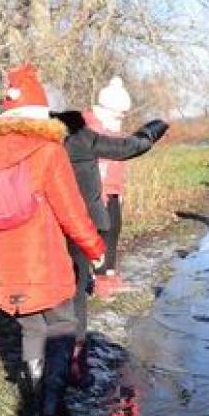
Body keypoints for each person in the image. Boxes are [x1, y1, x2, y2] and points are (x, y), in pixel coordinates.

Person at [0, 63, 105, 416]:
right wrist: (94, 249)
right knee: (62, 325)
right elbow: (72, 210)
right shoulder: (47, 150)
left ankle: (32, 401)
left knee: (31, 329)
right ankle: (51, 405)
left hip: (6, 271)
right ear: (40, 113)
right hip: (47, 264)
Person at [47, 87, 169, 387]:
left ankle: (45, 374)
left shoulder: (30, 142)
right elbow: (128, 147)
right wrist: (155, 128)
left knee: (50, 296)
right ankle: (76, 365)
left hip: (44, 225)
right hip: (79, 223)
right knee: (74, 293)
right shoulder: (80, 136)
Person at [88, 76, 135, 291]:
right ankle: (99, 278)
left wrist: (120, 190)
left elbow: (118, 162)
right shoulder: (91, 127)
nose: (121, 118)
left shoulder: (114, 130)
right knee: (101, 232)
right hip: (97, 191)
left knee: (114, 229)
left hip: (113, 190)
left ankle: (110, 272)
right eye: (119, 114)